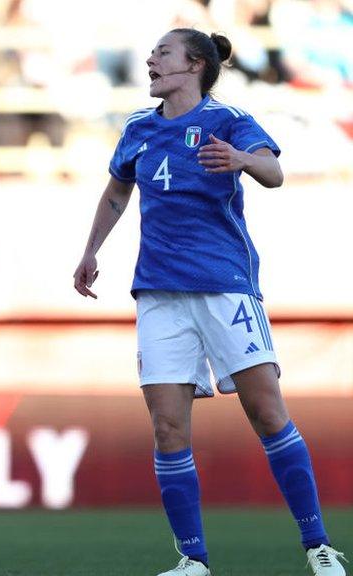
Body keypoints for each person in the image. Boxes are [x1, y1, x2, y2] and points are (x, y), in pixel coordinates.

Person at [72, 28, 346, 576]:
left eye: (162, 53)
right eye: (151, 52)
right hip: (159, 293)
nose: (149, 59)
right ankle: (193, 558)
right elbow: (116, 192)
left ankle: (317, 545)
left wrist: (242, 159)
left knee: (267, 412)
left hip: (225, 287)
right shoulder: (138, 129)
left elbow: (274, 173)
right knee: (167, 427)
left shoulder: (228, 121)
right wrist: (91, 250)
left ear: (195, 65)